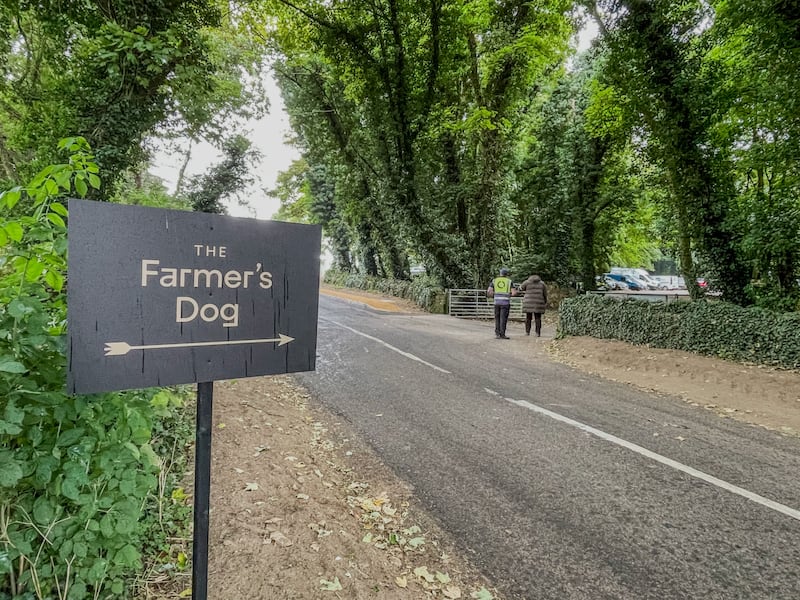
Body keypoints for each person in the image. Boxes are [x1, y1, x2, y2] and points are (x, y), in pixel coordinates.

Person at [487, 267, 517, 339]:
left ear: (500, 274)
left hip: (496, 302)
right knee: (503, 318)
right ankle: (502, 334)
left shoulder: (494, 281)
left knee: (497, 318)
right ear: (506, 274)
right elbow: (514, 293)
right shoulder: (509, 281)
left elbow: (489, 291)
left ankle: (497, 334)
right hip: (505, 303)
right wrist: (508, 294)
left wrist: (494, 295)